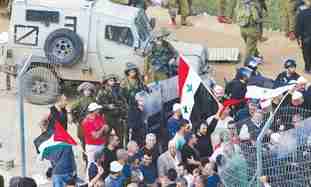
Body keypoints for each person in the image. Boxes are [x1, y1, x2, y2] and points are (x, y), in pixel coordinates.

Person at [96, 74, 128, 144]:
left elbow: (123, 101)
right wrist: (107, 106)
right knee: (106, 135)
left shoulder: (117, 90)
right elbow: (98, 105)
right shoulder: (101, 92)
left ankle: (120, 149)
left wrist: (123, 111)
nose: (112, 82)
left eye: (113, 80)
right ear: (106, 82)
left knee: (120, 136)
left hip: (118, 116)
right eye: (110, 80)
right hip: (108, 117)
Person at [296, 0, 311, 73]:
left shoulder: (301, 14)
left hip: (306, 37)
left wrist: (297, 37)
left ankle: (308, 68)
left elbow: (298, 27)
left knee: (306, 53)